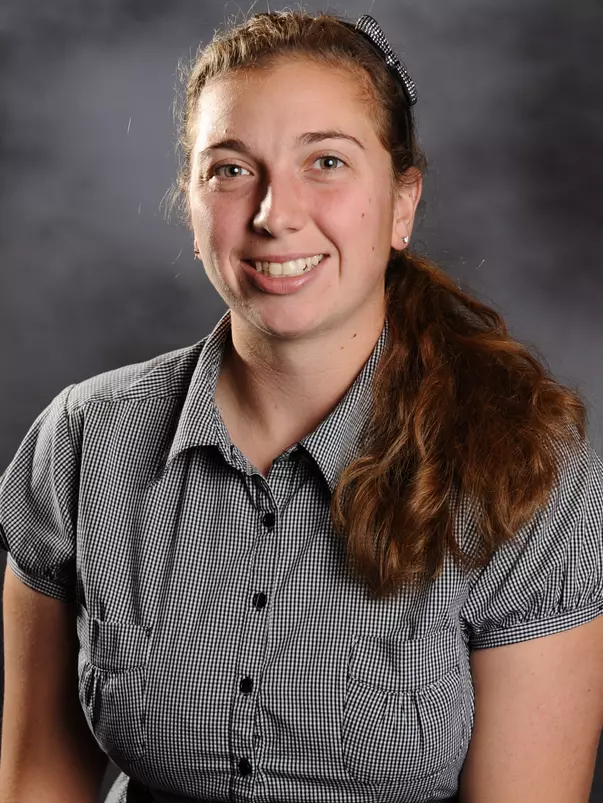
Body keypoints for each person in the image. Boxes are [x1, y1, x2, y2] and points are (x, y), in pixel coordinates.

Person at [1, 8, 602, 803]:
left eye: (324, 161)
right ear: (190, 204)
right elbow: (40, 779)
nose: (273, 214)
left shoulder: (529, 473)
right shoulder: (83, 441)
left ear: (400, 204)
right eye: (230, 169)